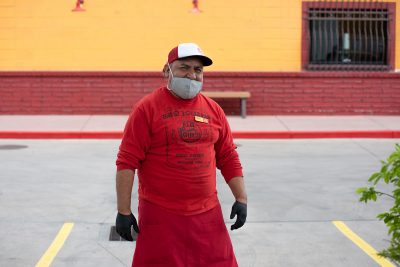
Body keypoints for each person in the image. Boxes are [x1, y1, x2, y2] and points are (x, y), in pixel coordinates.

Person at [115, 42, 247, 267]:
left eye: (198, 70)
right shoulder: (146, 109)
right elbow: (127, 162)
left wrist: (241, 198)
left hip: (207, 213)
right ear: (167, 71)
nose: (192, 75)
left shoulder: (214, 110)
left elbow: (227, 156)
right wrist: (123, 211)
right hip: (160, 213)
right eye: (184, 68)